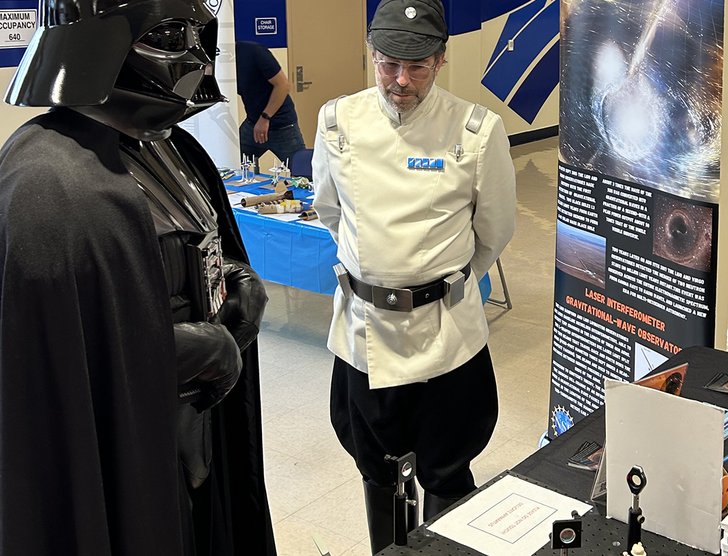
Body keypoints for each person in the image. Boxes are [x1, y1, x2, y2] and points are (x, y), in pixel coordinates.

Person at [0, 1, 276, 554]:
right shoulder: (45, 183)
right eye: (171, 36)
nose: (197, 58)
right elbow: (49, 365)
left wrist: (231, 277)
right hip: (123, 450)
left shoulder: (172, 147)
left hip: (195, 426)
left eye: (200, 36)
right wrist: (165, 353)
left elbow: (182, 248)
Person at [311, 0, 516, 551]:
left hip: (446, 335)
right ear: (371, 55)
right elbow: (330, 212)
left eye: (418, 66)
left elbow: (494, 230)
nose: (401, 80)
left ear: (441, 59)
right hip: (365, 332)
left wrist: (436, 287)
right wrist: (377, 275)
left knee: (447, 469)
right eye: (388, 64)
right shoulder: (337, 122)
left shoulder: (476, 130)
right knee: (378, 470)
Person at [236, 40, 306, 167]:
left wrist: (265, 118)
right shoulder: (221, 63)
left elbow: (283, 85)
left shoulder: (253, 51)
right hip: (253, 124)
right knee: (231, 161)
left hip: (282, 126)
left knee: (302, 171)